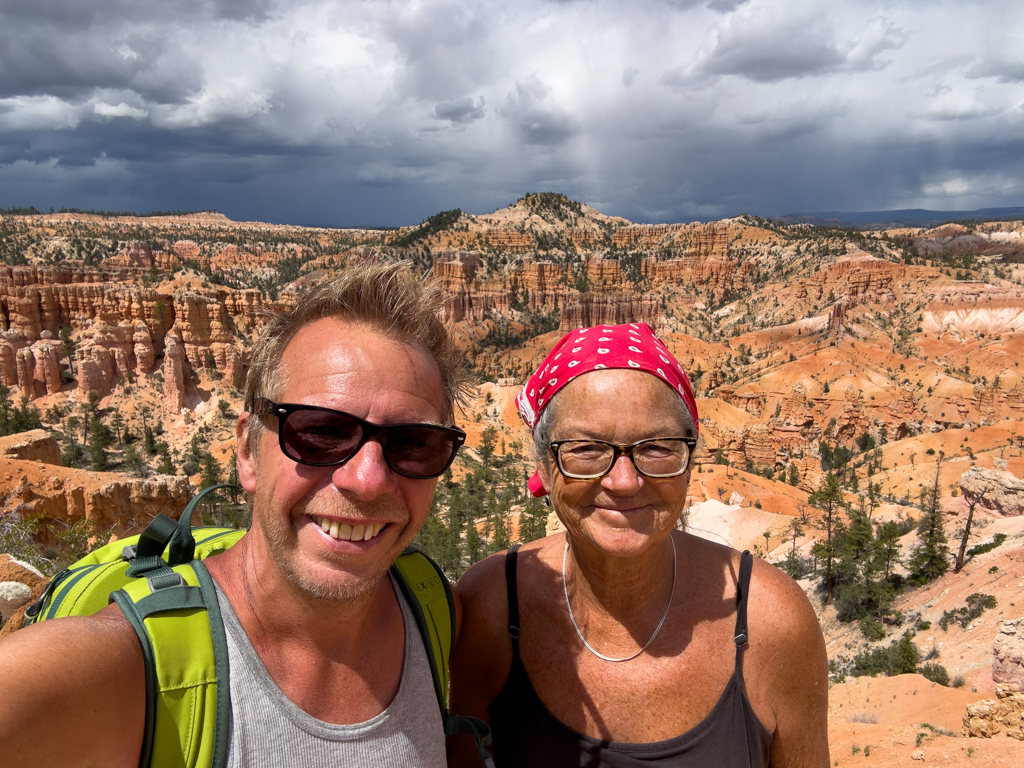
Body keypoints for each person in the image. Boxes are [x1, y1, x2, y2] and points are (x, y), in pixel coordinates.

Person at [0, 261, 468, 767]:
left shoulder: (435, 610)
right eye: (321, 432)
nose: (368, 478)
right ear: (247, 449)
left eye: (415, 442)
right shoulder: (119, 670)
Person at [449, 322, 829, 767]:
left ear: (689, 459)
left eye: (656, 447)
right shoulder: (489, 609)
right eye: (586, 448)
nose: (624, 481)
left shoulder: (771, 622)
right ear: (544, 465)